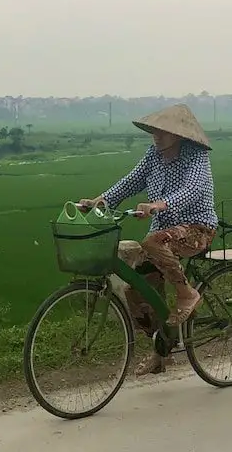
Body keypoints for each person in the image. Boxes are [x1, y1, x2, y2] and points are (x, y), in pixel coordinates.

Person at [79, 103, 218, 376]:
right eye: (155, 131)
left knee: (153, 242)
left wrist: (159, 205)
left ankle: (187, 294)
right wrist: (101, 200)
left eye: (164, 132)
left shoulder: (196, 157)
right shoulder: (154, 155)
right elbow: (131, 180)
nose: (157, 136)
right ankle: (162, 350)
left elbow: (192, 189)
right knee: (138, 292)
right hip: (162, 235)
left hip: (196, 229)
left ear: (179, 134)